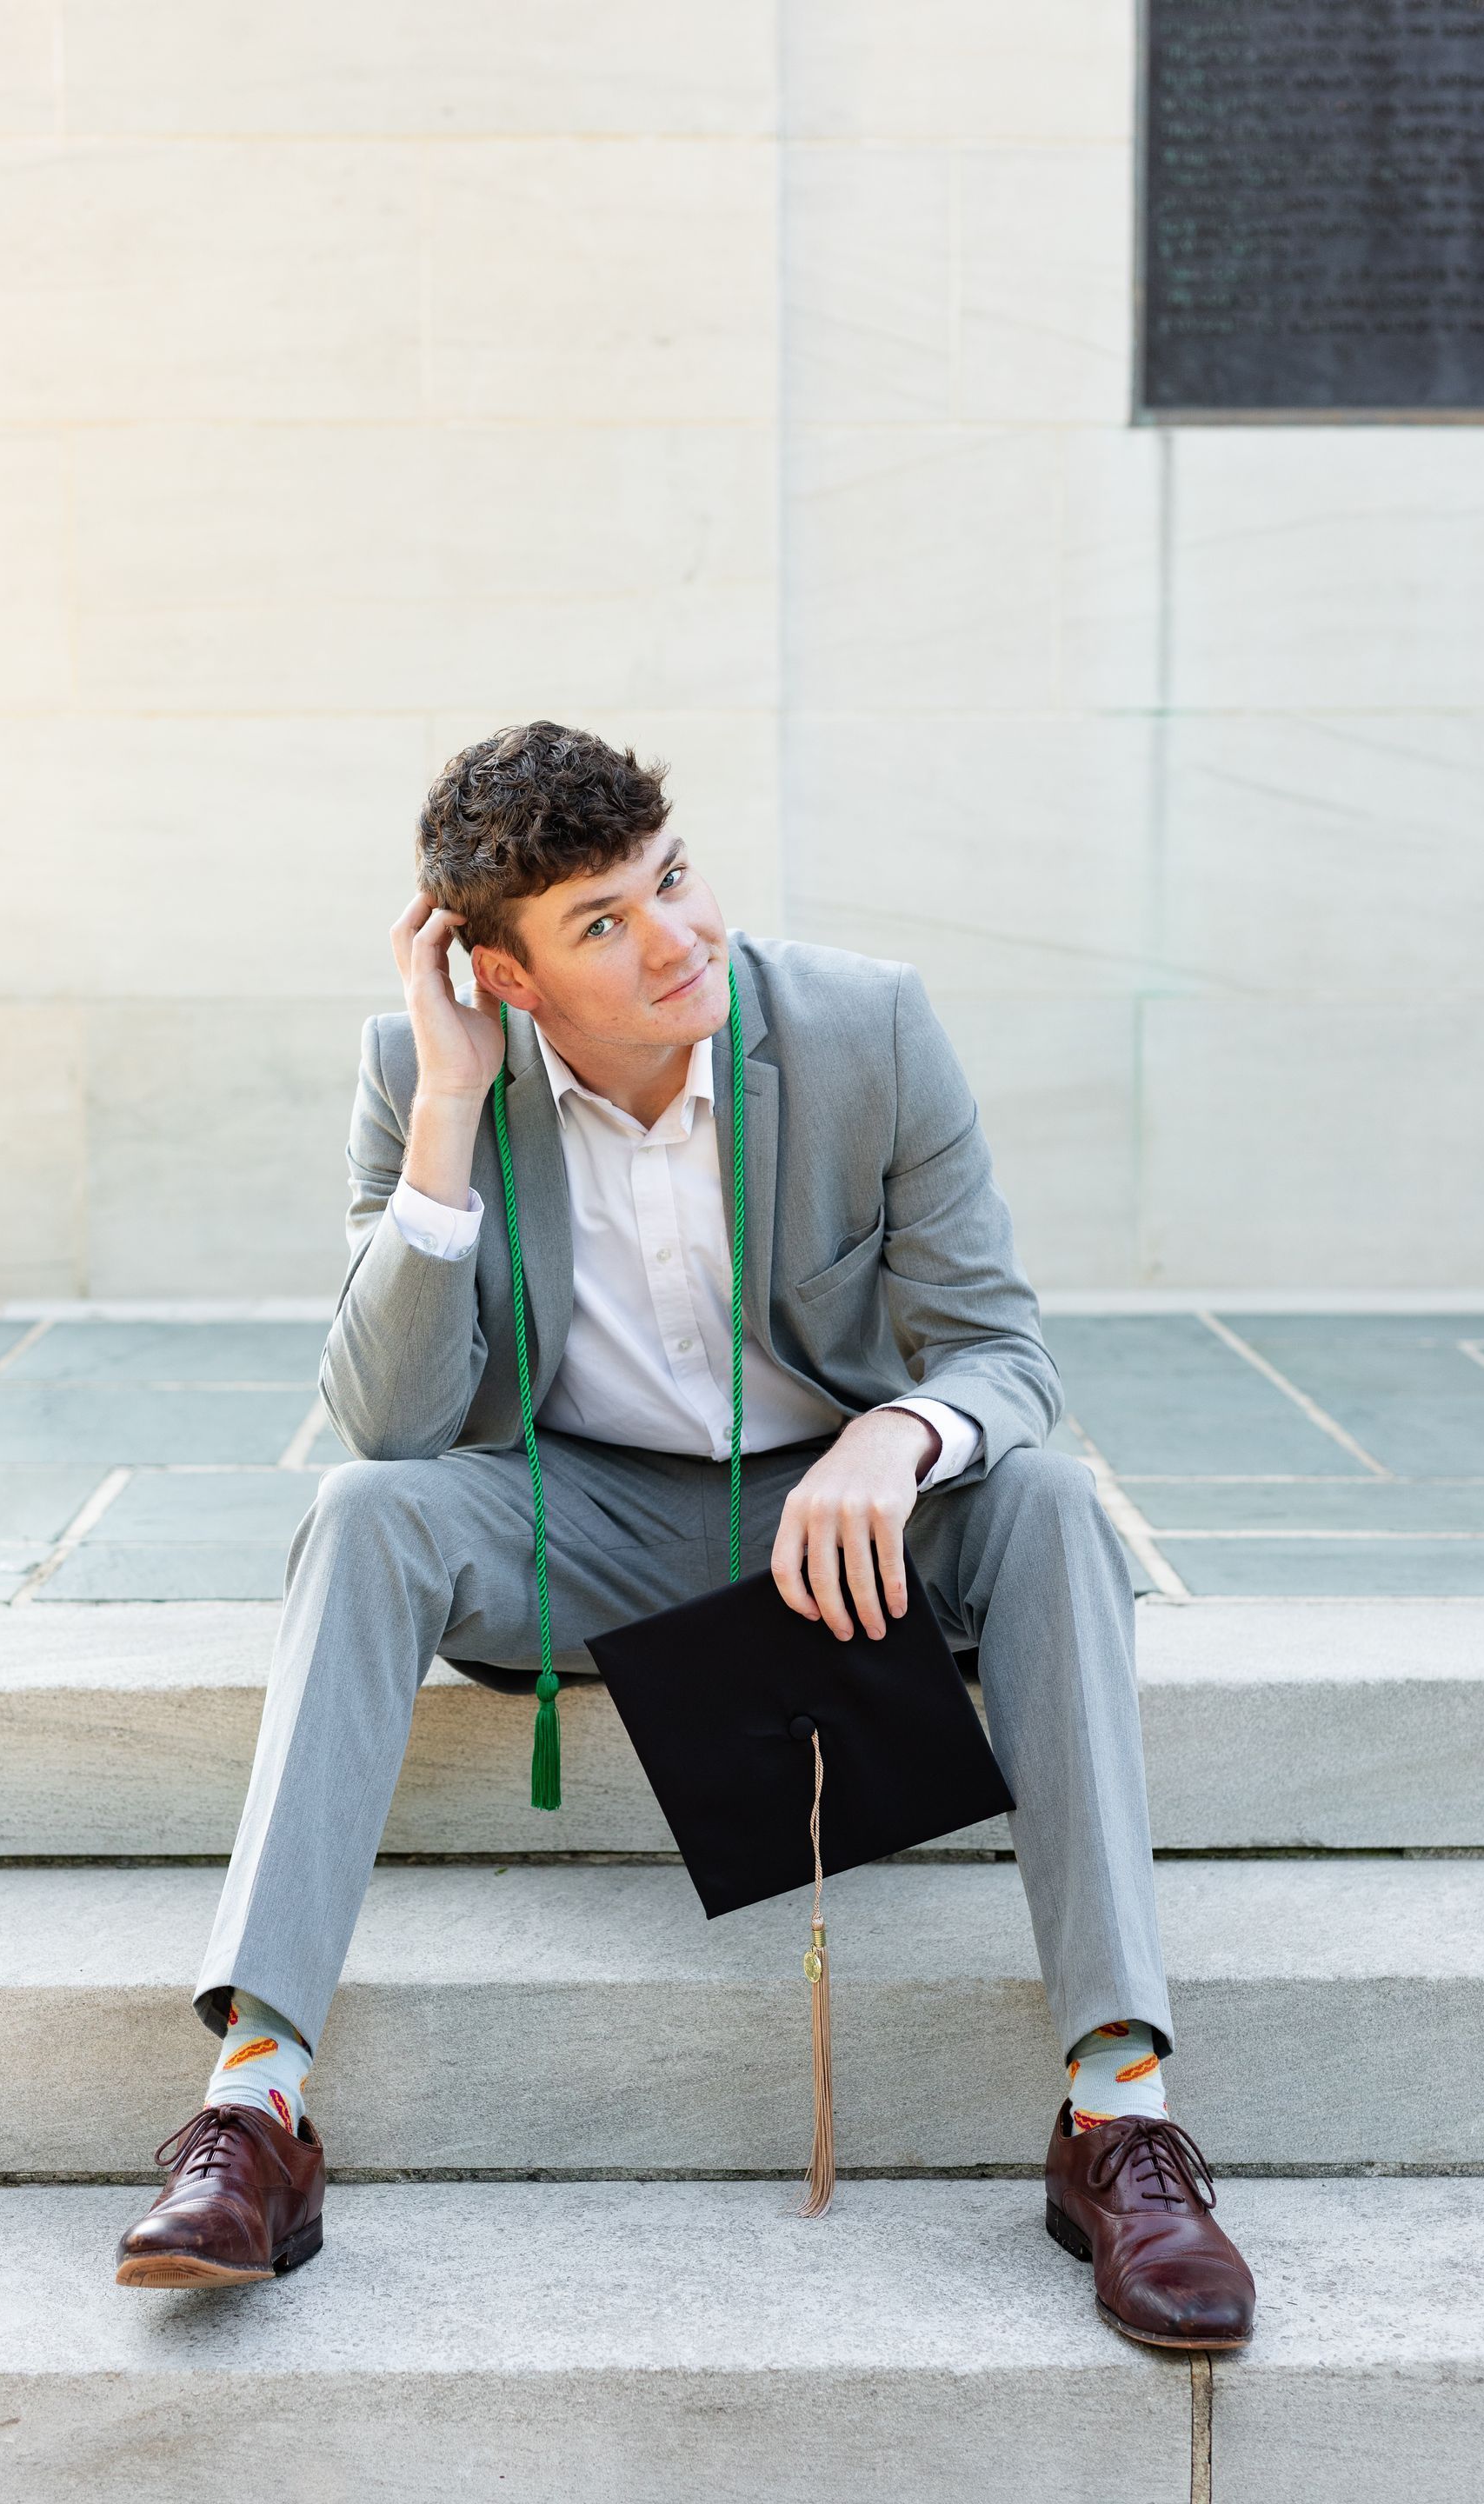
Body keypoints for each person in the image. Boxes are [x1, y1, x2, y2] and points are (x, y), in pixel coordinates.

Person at [116, 721, 1254, 2349]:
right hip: (579, 1523)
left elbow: (1005, 1356)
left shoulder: (865, 1027)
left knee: (1055, 1505)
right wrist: (450, 1108)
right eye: (600, 924)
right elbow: (392, 1422)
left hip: (846, 1525)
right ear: (505, 975)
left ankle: (1118, 2115)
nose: (674, 940)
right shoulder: (420, 1069)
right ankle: (258, 2110)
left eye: (671, 880)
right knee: (364, 1513)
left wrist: (904, 1432)